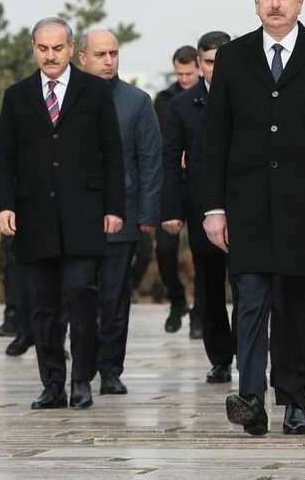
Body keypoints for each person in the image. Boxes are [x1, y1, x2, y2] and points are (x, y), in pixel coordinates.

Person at [202, 0, 305, 437]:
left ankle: (293, 402)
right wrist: (213, 207)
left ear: (300, 2)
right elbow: (216, 138)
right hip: (246, 208)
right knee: (249, 303)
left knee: (295, 307)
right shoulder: (233, 57)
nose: (275, 3)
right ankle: (251, 399)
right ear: (255, 4)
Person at [0, 18, 125, 411]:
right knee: (42, 306)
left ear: (70, 49)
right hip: (35, 218)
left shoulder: (95, 92)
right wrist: (2, 205)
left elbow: (112, 153)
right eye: (43, 48)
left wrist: (114, 207)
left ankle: (81, 379)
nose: (50, 56)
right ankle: (52, 384)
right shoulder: (17, 96)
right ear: (33, 48)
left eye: (58, 48)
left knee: (81, 295)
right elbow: (4, 157)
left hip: (84, 215)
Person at [77, 30, 161, 395]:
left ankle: (110, 369)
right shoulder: (67, 99)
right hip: (76, 218)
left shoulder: (137, 102)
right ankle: (81, 367)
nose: (109, 60)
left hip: (122, 217)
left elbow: (150, 161)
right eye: (100, 54)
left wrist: (148, 215)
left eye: (113, 53)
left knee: (114, 297)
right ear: (82, 57)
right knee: (79, 294)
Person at [162, 30, 238, 383]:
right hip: (202, 207)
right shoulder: (181, 105)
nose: (215, 69)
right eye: (208, 62)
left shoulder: (250, 97)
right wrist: (172, 210)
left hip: (245, 206)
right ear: (199, 62)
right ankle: (220, 358)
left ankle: (249, 355)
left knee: (248, 285)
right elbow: (170, 160)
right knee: (209, 285)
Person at [145, 45, 197, 333]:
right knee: (165, 249)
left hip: (200, 181)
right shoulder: (165, 100)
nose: (185, 79)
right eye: (180, 74)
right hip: (172, 183)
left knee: (205, 252)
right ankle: (177, 300)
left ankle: (201, 312)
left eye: (189, 73)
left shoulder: (210, 95)